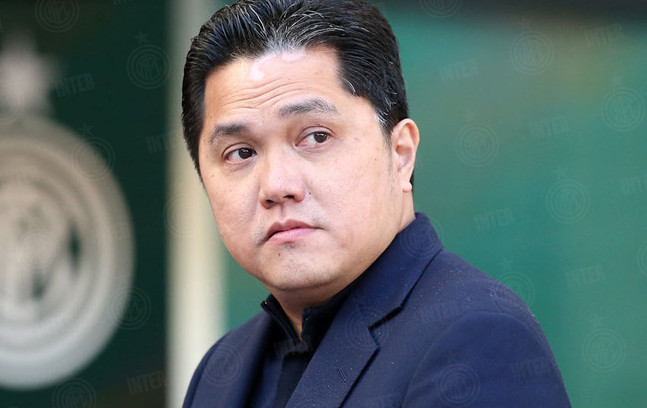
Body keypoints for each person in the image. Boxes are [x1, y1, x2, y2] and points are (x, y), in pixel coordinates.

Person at [179, 0, 572, 406]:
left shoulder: (477, 341)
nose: (277, 185)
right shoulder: (220, 372)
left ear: (400, 153)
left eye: (316, 137)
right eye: (241, 153)